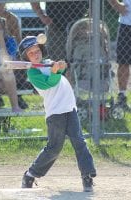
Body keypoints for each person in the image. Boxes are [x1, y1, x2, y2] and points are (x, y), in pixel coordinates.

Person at [18, 35, 96, 192]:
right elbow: (50, 83)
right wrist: (55, 72)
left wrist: (60, 65)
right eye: (30, 53)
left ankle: (87, 176)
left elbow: (62, 69)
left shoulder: (47, 63)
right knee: (54, 147)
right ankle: (30, 174)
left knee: (79, 142)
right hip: (55, 113)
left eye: (36, 50)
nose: (35, 53)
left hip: (70, 108)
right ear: (26, 57)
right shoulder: (32, 74)